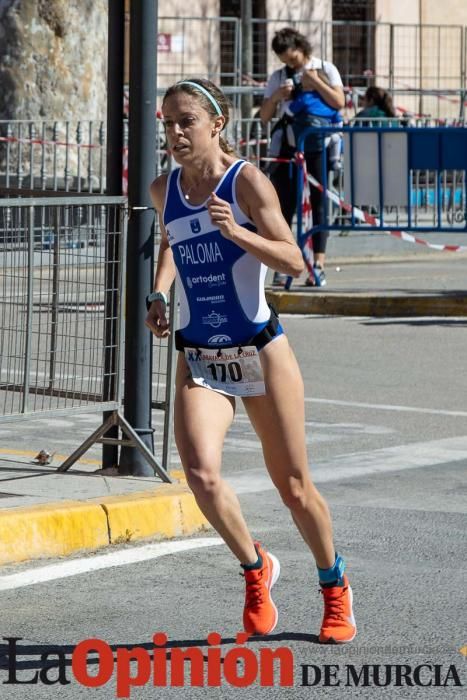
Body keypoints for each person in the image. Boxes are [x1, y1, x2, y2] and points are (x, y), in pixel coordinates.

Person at [145, 77, 356, 644]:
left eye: (185, 121)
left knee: (293, 486)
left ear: (217, 124)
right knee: (202, 476)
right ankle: (256, 567)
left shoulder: (247, 182)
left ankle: (334, 585)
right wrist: (160, 292)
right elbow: (173, 241)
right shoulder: (164, 188)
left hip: (259, 348)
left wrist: (235, 231)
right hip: (200, 355)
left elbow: (293, 260)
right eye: (167, 123)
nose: (174, 132)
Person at [260, 28, 345, 287]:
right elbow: (264, 116)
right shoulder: (278, 77)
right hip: (288, 146)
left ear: (301, 47)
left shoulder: (325, 68)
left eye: (292, 58)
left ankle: (318, 264)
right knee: (283, 205)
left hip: (316, 144)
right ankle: (283, 263)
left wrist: (315, 82)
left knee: (319, 203)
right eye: (285, 61)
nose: (290, 64)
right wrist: (277, 97)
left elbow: (339, 102)